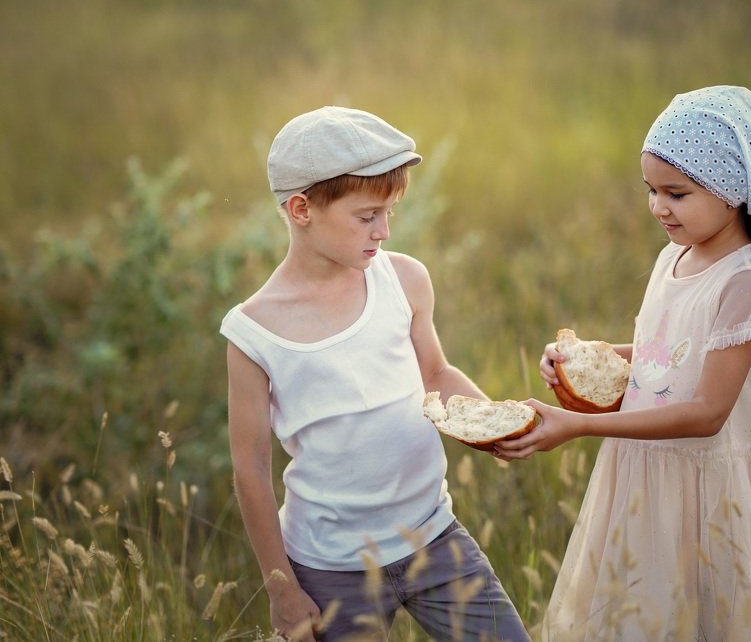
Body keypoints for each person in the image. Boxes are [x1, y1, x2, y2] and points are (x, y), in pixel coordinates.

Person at [494, 85, 751, 640]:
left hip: (702, 494)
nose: (659, 206)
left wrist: (580, 426)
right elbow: (671, 355)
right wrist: (591, 357)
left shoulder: (746, 278)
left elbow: (706, 410)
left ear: (731, 188)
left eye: (677, 193)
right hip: (643, 481)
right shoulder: (675, 255)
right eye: (652, 190)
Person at [221, 106, 529, 641]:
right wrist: (282, 589)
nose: (384, 230)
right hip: (329, 567)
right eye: (367, 216)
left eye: (389, 213)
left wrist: (494, 421)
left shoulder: (404, 280)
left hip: (434, 539)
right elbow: (249, 466)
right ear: (301, 209)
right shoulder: (254, 331)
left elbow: (435, 371)